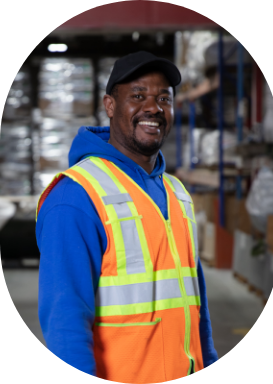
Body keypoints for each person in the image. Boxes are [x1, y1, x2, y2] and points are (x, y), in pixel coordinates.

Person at [36, 51, 218, 383]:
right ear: (109, 105)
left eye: (164, 98)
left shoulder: (177, 193)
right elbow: (65, 322)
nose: (154, 108)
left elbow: (197, 307)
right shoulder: (76, 196)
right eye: (138, 96)